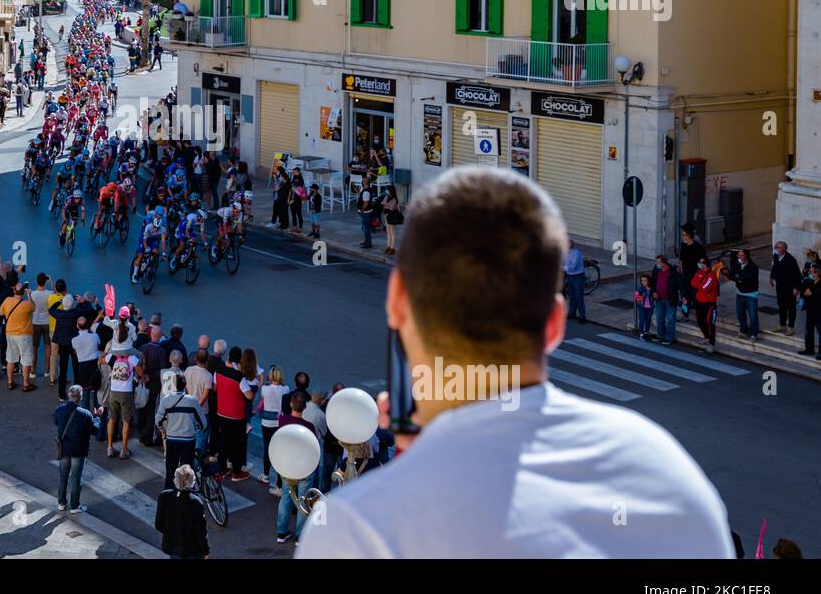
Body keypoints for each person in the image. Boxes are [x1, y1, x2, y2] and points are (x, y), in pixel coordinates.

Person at [297, 167, 733, 559]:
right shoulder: (670, 480)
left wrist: (423, 463)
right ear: (555, 323)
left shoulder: (354, 532)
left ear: (396, 302)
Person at [275, 393, 320, 544]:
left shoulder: (282, 420)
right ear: (305, 407)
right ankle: (300, 536)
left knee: (286, 498)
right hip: (304, 467)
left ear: (290, 405)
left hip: (287, 465)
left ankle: (281, 532)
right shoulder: (309, 426)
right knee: (303, 500)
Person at [154, 375, 207, 490]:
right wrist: (196, 426)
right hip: (188, 441)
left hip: (172, 439)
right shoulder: (192, 401)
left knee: (170, 470)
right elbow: (203, 423)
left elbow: (158, 420)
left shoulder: (166, 400)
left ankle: (168, 494)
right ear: (185, 385)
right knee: (186, 472)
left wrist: (163, 431)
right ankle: (186, 496)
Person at [54, 385, 101, 515]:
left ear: (69, 395)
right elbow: (95, 430)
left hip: (64, 449)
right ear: (80, 398)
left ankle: (61, 503)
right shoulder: (85, 414)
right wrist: (98, 417)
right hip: (78, 450)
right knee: (76, 478)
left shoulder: (59, 410)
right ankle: (74, 505)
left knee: (63, 476)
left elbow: (56, 422)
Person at [104, 327, 143, 459]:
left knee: (112, 419)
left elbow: (101, 360)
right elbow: (140, 373)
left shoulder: (112, 357)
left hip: (113, 391)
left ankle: (109, 447)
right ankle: (123, 449)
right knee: (126, 420)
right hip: (126, 392)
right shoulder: (131, 358)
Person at [214, 347, 251, 481]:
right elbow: (249, 395)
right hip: (236, 415)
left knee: (223, 441)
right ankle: (237, 472)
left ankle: (222, 468)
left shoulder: (218, 370)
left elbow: (215, 387)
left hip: (221, 412)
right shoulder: (239, 376)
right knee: (237, 444)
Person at [258, 366, 290, 494]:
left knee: (267, 448)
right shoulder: (286, 389)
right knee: (278, 451)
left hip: (266, 422)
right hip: (279, 422)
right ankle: (279, 483)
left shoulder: (265, 389)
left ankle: (265, 474)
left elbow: (263, 401)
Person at [1, 283, 37, 392]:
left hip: (10, 333)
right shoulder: (27, 304)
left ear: (14, 291)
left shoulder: (7, 300)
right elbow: (34, 307)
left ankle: (10, 382)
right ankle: (26, 384)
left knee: (11, 359)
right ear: (23, 292)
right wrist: (29, 295)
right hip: (24, 335)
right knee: (25, 360)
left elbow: (1, 312)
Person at [770, 240, 802, 335]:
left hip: (790, 288)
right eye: (776, 247)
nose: (776, 249)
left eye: (778, 247)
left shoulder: (791, 260)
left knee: (791, 308)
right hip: (780, 287)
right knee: (781, 306)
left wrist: (796, 288)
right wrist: (771, 277)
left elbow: (797, 275)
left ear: (784, 249)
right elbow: (774, 267)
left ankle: (791, 327)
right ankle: (782, 325)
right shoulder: (776, 256)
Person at [729, 249, 761, 342]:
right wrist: (738, 278)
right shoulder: (738, 264)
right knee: (740, 314)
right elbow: (731, 275)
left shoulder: (753, 267)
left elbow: (745, 279)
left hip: (751, 294)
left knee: (753, 315)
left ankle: (753, 334)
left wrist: (738, 277)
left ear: (746, 256)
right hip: (740, 293)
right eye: (738, 255)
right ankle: (743, 331)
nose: (738, 257)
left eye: (741, 255)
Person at [691, 256, 721, 354]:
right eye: (699, 262)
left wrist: (699, 285)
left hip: (709, 303)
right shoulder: (699, 272)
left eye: (702, 262)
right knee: (700, 321)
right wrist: (699, 285)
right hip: (699, 301)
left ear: (706, 264)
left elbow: (705, 287)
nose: (700, 264)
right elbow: (693, 283)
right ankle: (707, 337)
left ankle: (711, 344)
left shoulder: (711, 275)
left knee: (709, 323)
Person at [650, 255, 681, 346]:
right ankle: (660, 336)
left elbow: (680, 284)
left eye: (659, 262)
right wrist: (653, 292)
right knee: (660, 318)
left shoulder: (672, 272)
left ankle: (669, 338)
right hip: (659, 298)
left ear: (664, 263)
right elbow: (652, 282)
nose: (657, 264)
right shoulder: (656, 270)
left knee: (671, 319)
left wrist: (684, 296)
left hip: (669, 299)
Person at [798, 262, 821, 358]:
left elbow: (818, 299)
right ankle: (809, 349)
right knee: (808, 330)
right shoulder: (810, 282)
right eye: (811, 272)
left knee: (820, 332)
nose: (811, 274)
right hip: (810, 310)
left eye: (813, 273)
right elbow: (803, 291)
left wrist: (811, 295)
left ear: (817, 274)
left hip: (819, 312)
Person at [562, 240, 587, 322]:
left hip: (578, 276)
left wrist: (564, 268)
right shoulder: (565, 253)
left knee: (578, 296)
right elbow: (564, 263)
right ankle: (572, 313)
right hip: (570, 276)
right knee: (572, 295)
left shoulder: (576, 253)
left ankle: (582, 316)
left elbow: (573, 265)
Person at [382, 184, 403, 256]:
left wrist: (386, 206)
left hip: (391, 216)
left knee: (392, 232)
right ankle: (388, 246)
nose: (386, 191)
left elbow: (391, 208)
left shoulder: (394, 199)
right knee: (388, 231)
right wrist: (386, 205)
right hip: (386, 215)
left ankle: (392, 248)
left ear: (391, 191)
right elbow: (382, 203)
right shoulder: (387, 197)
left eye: (388, 190)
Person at [634, 272, 655, 340]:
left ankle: (646, 332)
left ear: (648, 281)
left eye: (645, 280)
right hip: (642, 307)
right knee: (642, 319)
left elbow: (654, 297)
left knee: (648, 320)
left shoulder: (652, 288)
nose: (643, 282)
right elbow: (636, 297)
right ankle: (641, 333)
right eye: (642, 281)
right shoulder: (640, 288)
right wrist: (642, 296)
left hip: (650, 307)